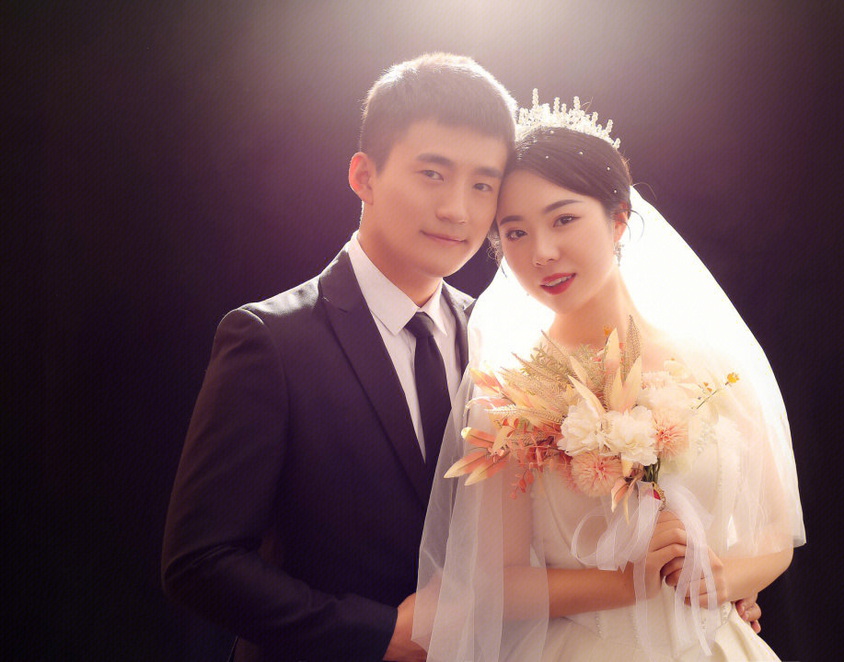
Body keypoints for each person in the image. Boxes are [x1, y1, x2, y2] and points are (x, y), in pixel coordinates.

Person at [414, 96, 805, 661]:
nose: (542, 253)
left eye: (563, 219)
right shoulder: (510, 397)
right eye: (515, 233)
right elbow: (498, 581)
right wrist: (626, 584)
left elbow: (775, 533)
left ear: (619, 218)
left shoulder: (714, 367)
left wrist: (727, 580)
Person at [161, 53, 516, 661]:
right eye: (433, 174)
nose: (458, 209)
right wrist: (378, 634)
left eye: (483, 184)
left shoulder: (498, 335)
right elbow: (199, 562)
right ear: (364, 176)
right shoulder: (269, 341)